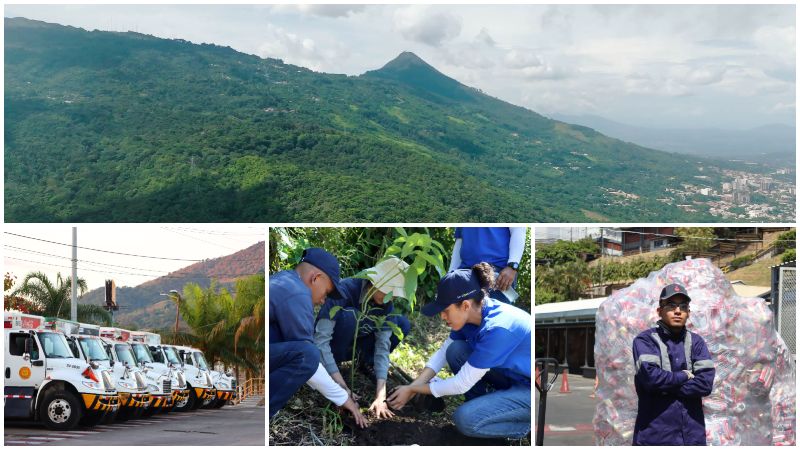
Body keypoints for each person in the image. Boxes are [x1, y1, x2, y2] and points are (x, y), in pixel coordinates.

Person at [386, 263, 531, 439]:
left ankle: (524, 427)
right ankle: (484, 405)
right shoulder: (474, 315)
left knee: (465, 419)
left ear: (465, 305)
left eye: (446, 310)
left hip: (531, 390)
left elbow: (460, 384)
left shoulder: (498, 329)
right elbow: (444, 352)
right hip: (512, 377)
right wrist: (413, 386)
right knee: (456, 350)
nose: (442, 316)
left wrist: (414, 390)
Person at [269, 248, 367, 428]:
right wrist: (344, 398)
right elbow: (307, 359)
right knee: (309, 354)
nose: (323, 300)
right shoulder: (297, 293)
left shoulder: (284, 280)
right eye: (327, 292)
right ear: (315, 278)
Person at [314, 256, 411, 419]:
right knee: (350, 317)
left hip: (357, 346)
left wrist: (381, 395)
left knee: (402, 323)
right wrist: (341, 387)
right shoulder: (345, 289)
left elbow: (382, 347)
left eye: (395, 294)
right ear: (375, 281)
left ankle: (365, 362)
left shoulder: (387, 304)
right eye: (389, 291)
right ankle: (333, 370)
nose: (392, 298)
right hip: (334, 347)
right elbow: (320, 340)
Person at [631, 283, 715, 446]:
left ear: (688, 313)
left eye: (683, 307)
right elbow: (651, 380)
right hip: (654, 437)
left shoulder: (697, 342)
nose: (678, 311)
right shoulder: (645, 340)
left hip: (692, 437)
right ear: (659, 311)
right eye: (671, 305)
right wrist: (684, 376)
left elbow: (705, 385)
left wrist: (664, 388)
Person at [449, 227, 526, 303]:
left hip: (498, 275)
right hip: (465, 275)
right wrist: (450, 275)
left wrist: (512, 266)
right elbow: (460, 240)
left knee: (495, 314)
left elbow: (518, 229)